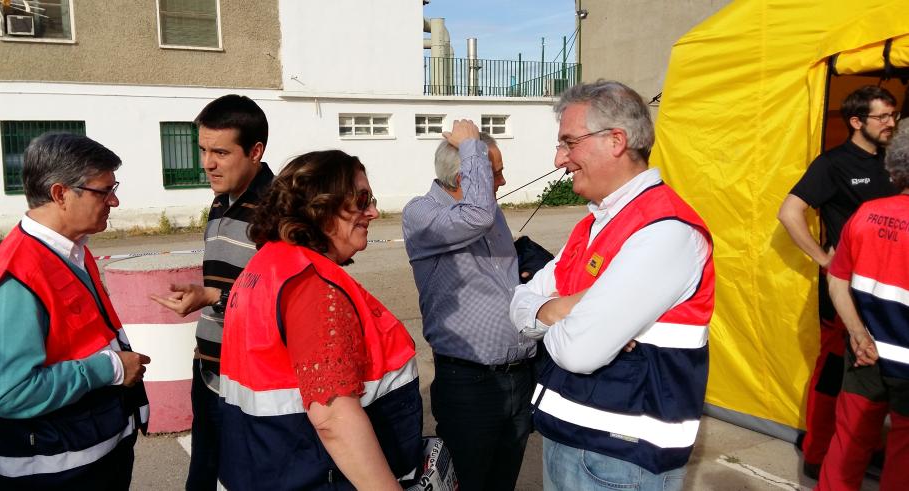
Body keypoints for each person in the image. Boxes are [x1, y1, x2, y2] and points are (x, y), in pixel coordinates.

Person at [509, 80, 715, 490]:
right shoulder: (593, 224)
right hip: (573, 442)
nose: (558, 159)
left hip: (620, 461)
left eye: (569, 143)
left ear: (616, 140)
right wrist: (572, 310)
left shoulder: (666, 230)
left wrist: (554, 312)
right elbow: (516, 307)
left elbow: (578, 351)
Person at [216, 150, 423, 490]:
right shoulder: (310, 285)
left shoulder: (269, 264)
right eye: (361, 200)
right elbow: (333, 417)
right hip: (314, 476)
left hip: (264, 466)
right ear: (321, 207)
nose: (372, 211)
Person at [0, 133, 150, 489]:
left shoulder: (71, 251)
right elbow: (9, 392)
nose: (115, 200)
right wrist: (111, 368)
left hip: (84, 452)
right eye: (104, 190)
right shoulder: (17, 278)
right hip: (52, 471)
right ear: (60, 193)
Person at [401, 120, 535, 491]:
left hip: (518, 377)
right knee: (468, 482)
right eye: (496, 172)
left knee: (501, 482)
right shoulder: (422, 213)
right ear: (466, 176)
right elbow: (475, 215)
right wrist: (471, 145)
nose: (503, 181)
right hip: (471, 384)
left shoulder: (489, 212)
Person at [149, 94, 274, 490]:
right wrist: (206, 296)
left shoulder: (278, 211)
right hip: (208, 366)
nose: (207, 163)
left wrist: (213, 298)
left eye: (220, 151)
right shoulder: (222, 200)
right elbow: (234, 280)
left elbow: (281, 297)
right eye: (202, 149)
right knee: (202, 476)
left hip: (251, 380)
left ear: (255, 151)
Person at [777, 85, 899, 478]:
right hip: (843, 291)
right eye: (882, 117)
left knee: (878, 376)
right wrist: (823, 258)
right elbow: (789, 211)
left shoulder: (890, 162)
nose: (891, 124)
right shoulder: (832, 164)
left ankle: (868, 448)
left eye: (893, 116)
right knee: (835, 372)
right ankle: (817, 452)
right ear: (856, 121)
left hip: (885, 292)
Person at [817, 124, 909, 490]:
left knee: (848, 442)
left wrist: (857, 333)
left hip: (864, 351)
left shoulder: (867, 213)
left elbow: (836, 278)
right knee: (903, 456)